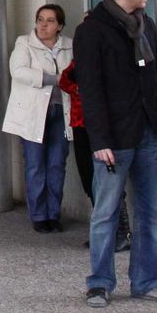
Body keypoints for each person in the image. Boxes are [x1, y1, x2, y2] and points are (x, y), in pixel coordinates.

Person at [73, 0, 157, 308]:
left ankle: (147, 281)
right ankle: (100, 283)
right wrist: (99, 140)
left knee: (151, 213)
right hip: (114, 138)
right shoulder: (93, 30)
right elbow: (89, 88)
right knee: (105, 212)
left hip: (152, 131)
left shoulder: (146, 24)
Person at [2, 4, 72, 232]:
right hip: (34, 113)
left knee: (56, 164)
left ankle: (54, 213)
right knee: (35, 164)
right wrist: (54, 79)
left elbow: (77, 74)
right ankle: (39, 215)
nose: (43, 25)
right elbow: (18, 71)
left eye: (50, 21)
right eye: (40, 19)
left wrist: (64, 79)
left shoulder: (69, 46)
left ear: (59, 26)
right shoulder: (25, 43)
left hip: (61, 113)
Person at [59, 57, 130, 252]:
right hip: (80, 123)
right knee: (89, 179)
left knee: (109, 179)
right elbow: (64, 80)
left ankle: (122, 232)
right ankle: (105, 232)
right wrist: (79, 88)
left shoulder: (110, 60)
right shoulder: (79, 60)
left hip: (103, 124)